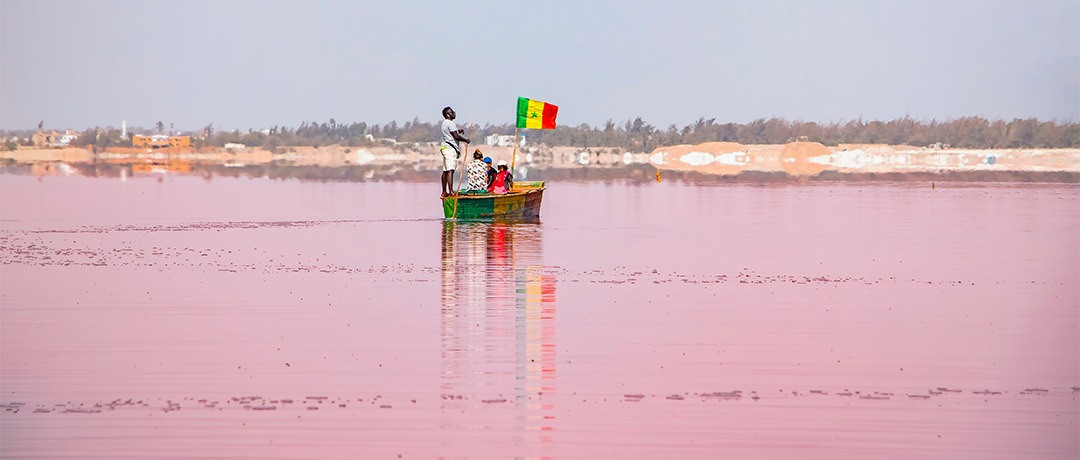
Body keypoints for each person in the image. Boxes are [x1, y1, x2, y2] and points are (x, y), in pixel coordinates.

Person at [439, 106, 470, 197]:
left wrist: (458, 131)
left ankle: (444, 191)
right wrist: (466, 140)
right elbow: (455, 137)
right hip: (450, 149)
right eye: (452, 112)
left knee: (445, 170)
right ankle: (451, 191)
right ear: (448, 115)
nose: (454, 113)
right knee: (450, 170)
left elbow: (452, 134)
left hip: (445, 148)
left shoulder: (444, 123)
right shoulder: (450, 123)